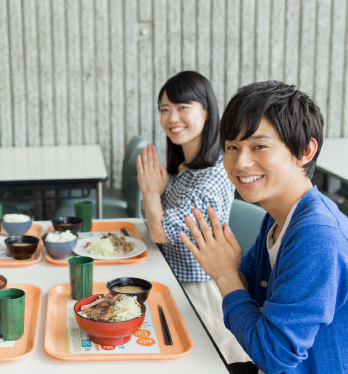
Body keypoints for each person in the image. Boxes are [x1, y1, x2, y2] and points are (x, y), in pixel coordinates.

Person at [180, 81, 348, 373]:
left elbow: (273, 353)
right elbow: (247, 290)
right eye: (232, 147)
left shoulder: (319, 236)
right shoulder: (277, 214)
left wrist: (223, 274)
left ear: (305, 151)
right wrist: (227, 272)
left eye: (259, 146)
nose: (241, 162)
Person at [137, 71, 249, 363]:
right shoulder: (184, 167)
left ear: (207, 111)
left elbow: (159, 229)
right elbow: (151, 220)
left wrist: (151, 194)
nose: (172, 118)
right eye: (165, 109)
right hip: (168, 280)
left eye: (182, 107)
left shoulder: (213, 174)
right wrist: (152, 198)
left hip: (196, 295)